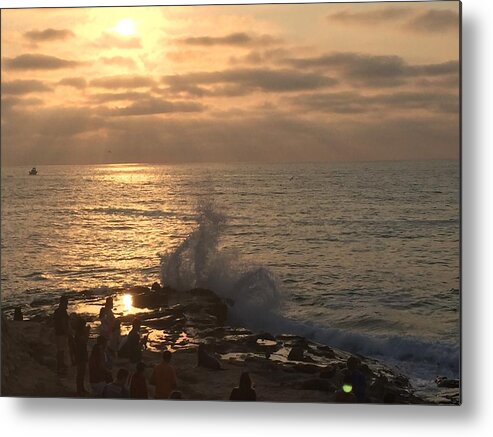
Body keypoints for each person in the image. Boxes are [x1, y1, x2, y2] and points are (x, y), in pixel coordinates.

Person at [53, 296, 70, 374]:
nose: (67, 305)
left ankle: (60, 364)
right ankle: (60, 366)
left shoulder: (57, 311)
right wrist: (67, 333)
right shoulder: (62, 311)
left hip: (57, 332)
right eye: (66, 303)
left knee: (60, 350)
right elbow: (63, 323)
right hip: (61, 333)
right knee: (61, 351)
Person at [74, 318, 90, 396]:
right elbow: (85, 340)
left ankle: (81, 388)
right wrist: (87, 332)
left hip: (81, 353)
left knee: (82, 373)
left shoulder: (79, 333)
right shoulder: (79, 334)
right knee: (80, 372)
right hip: (80, 354)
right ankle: (79, 390)